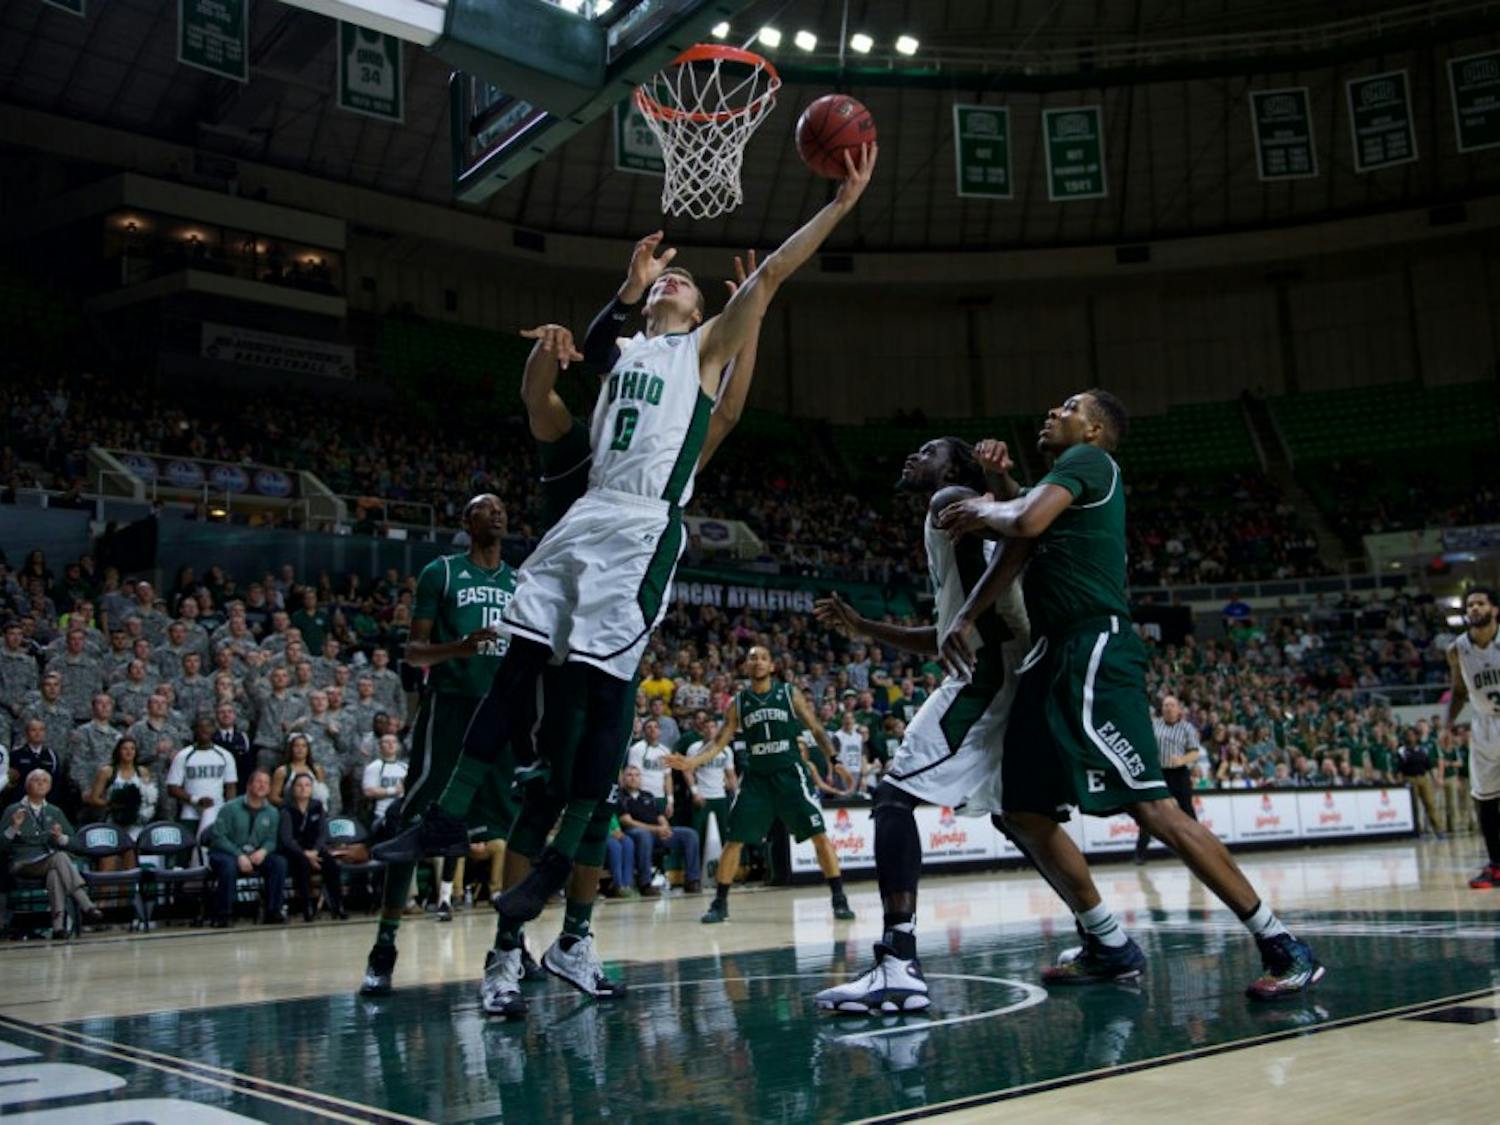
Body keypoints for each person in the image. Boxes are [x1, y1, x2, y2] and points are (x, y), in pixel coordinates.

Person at [377, 145, 880, 920]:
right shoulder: (627, 349)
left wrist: (840, 207)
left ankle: (554, 871)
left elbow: (772, 274)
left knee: (608, 695)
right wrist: (629, 284)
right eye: (668, 280)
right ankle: (446, 814)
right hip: (588, 513)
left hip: (644, 525)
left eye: (689, 281)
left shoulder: (702, 349)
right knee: (518, 661)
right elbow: (584, 343)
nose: (677, 281)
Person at [374, 251, 768, 1016]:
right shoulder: (578, 448)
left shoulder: (667, 428)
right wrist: (552, 343)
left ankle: (576, 937)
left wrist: (748, 322)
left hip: (611, 617)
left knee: (596, 795)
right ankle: (504, 952)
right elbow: (536, 390)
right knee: (542, 793)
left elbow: (723, 415)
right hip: (556, 627)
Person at [935, 389, 1323, 1000]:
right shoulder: (1053, 484)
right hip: (1050, 655)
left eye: (1066, 407)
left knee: (1154, 808)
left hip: (1093, 648)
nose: (1050, 412)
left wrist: (988, 506)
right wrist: (968, 609)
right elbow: (1022, 542)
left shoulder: (1089, 464)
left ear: (1093, 430)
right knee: (1022, 810)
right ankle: (1107, 943)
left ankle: (1281, 942)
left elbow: (1026, 521)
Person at [810, 436, 1030, 1015]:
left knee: (892, 798)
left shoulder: (951, 499)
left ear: (955, 468)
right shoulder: (946, 517)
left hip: (988, 672)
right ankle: (1103, 936)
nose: (913, 456)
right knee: (1022, 820)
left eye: (928, 450)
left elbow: (1022, 544)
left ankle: (898, 963)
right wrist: (866, 628)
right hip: (999, 665)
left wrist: (969, 615)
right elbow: (944, 637)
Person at [668, 645, 856, 925]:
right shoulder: (739, 703)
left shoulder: (788, 694)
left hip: (790, 774)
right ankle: (720, 903)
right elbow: (719, 741)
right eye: (752, 657)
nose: (757, 662)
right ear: (746, 666)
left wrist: (834, 758)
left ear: (772, 667)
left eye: (763, 658)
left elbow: (816, 727)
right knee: (735, 841)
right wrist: (691, 763)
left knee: (819, 835)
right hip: (756, 779)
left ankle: (839, 898)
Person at [2, 768, 103, 935]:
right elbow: (1, 845)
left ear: (49, 787)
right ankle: (86, 904)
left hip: (48, 861)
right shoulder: (13, 810)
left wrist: (61, 838)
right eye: (36, 780)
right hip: (22, 863)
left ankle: (58, 927)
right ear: (27, 786)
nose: (41, 783)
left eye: (45, 781)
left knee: (55, 873)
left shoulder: (54, 811)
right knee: (60, 857)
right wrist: (13, 828)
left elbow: (76, 844)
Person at [1446, 586, 1500, 887]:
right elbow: (1458, 691)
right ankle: (1496, 865)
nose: (1474, 609)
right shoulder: (1456, 649)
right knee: (1485, 798)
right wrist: (1447, 725)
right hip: (1483, 725)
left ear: (1494, 609)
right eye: (1470, 605)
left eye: (1480, 603)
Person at [206, 770, 285, 926]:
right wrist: (239, 855)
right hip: (226, 853)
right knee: (228, 866)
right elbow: (218, 837)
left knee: (279, 863)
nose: (262, 785)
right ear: (249, 785)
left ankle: (273, 912)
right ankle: (224, 915)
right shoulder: (230, 808)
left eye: (266, 783)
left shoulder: (273, 812)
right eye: (258, 781)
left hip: (255, 853)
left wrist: (263, 851)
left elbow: (271, 840)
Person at [1134, 695, 1203, 864]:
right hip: (1158, 774)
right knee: (1150, 812)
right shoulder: (1154, 725)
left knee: (1188, 812)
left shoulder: (1187, 728)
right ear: (1162, 709)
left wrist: (1182, 760)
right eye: (1165, 705)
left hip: (1179, 773)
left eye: (1172, 705)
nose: (1168, 708)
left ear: (1179, 709)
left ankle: (1199, 850)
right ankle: (1140, 853)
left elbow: (1195, 752)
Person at [616, 764, 699, 895]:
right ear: (623, 779)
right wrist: (656, 829)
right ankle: (645, 883)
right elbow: (627, 821)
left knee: (690, 834)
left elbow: (660, 816)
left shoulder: (648, 795)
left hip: (656, 832)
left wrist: (666, 829)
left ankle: (692, 880)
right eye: (629, 775)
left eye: (637, 775)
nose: (633, 778)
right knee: (644, 835)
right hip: (633, 833)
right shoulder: (620, 797)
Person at [278, 772, 346, 922]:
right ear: (293, 789)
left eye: (307, 785)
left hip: (315, 849)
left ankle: (338, 905)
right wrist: (305, 854)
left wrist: (315, 851)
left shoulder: (317, 806)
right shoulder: (286, 809)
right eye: (299, 785)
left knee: (331, 865)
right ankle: (306, 908)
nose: (303, 789)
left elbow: (322, 833)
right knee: (302, 866)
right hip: (295, 851)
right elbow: (287, 839)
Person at [166, 717, 238, 835]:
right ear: (195, 730)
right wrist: (196, 800)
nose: (205, 730)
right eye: (201, 727)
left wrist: (229, 810)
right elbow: (172, 787)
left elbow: (231, 786)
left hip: (217, 811)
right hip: (190, 812)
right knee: (189, 848)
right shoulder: (183, 755)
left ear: (213, 729)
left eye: (208, 726)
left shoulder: (225, 755)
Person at [270, 733, 334, 813]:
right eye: (296, 746)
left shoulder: (316, 770)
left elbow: (322, 793)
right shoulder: (282, 771)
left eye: (304, 746)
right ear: (291, 748)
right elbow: (273, 797)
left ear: (308, 749)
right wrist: (292, 805)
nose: (300, 749)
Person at [361, 734, 408, 827]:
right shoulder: (374, 767)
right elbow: (368, 791)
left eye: (394, 742)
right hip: (381, 814)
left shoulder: (405, 767)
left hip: (401, 814)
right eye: (387, 742)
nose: (391, 744)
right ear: (380, 746)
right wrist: (394, 790)